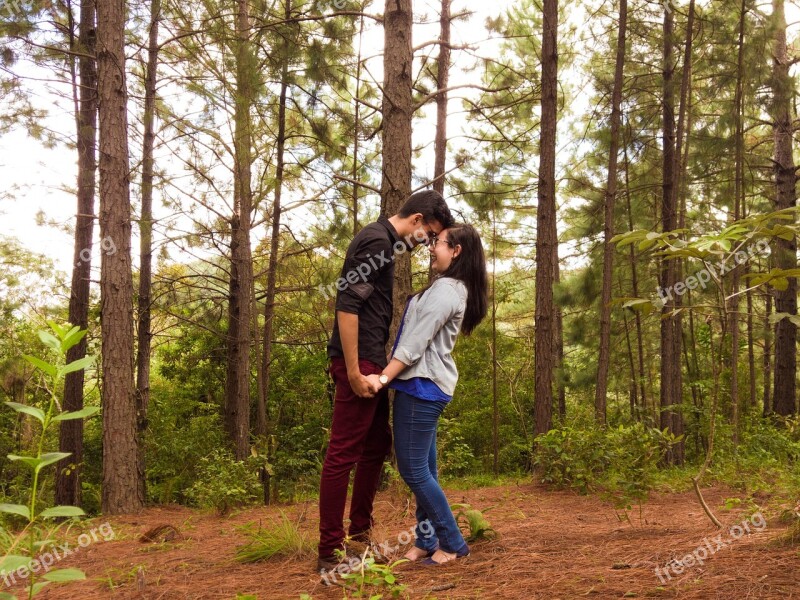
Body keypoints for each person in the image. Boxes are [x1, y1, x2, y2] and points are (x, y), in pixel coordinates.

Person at [318, 190, 454, 574]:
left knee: (377, 444)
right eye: (429, 234)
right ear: (416, 221)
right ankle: (330, 550)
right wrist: (352, 370)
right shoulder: (377, 241)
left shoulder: (386, 244)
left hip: (371, 362)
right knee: (343, 452)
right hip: (358, 362)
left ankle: (359, 536)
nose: (428, 243)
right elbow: (346, 305)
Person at [368, 223, 488, 565]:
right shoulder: (448, 288)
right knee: (425, 469)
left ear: (456, 251)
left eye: (439, 242)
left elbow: (415, 341)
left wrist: (383, 377)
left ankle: (452, 543)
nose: (432, 247)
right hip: (421, 385)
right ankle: (426, 539)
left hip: (422, 386)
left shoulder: (447, 291)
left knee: (413, 469)